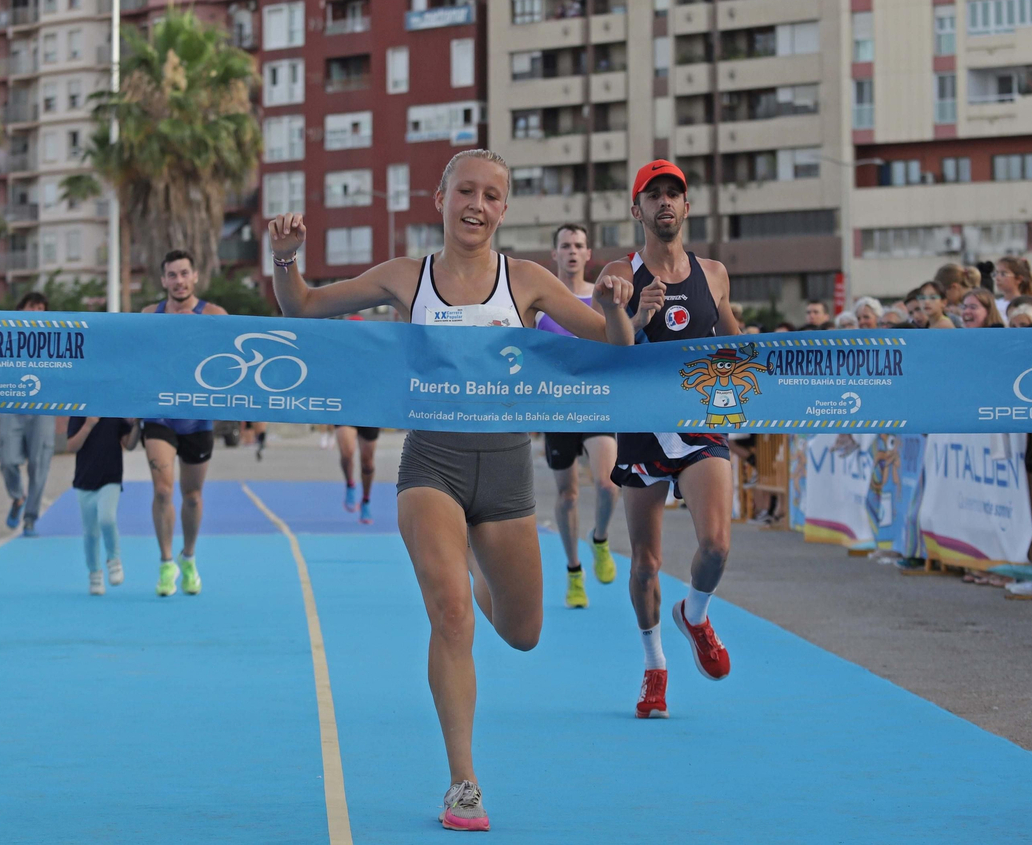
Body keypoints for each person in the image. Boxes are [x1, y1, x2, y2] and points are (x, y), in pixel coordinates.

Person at [267, 148, 638, 831]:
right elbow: (306, 306)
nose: (477, 205)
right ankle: (462, 782)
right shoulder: (407, 277)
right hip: (430, 464)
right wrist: (286, 258)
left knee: (523, 633)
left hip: (504, 472)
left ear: (504, 208)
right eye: (464, 190)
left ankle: (469, 565)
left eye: (492, 196)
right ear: (438, 197)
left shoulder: (525, 281)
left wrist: (615, 306)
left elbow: (618, 346)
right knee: (452, 616)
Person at [608, 158, 744, 725]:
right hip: (641, 424)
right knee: (645, 562)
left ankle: (696, 613)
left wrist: (758, 366)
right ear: (635, 209)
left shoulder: (712, 273)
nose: (665, 202)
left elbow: (735, 343)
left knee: (715, 545)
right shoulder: (619, 272)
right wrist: (634, 315)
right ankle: (654, 665)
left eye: (674, 194)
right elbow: (612, 352)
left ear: (687, 207)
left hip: (696, 421)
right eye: (653, 194)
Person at [535, 223, 622, 608]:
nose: (572, 252)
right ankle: (574, 572)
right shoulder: (540, 303)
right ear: (554, 254)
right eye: (565, 246)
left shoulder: (602, 299)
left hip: (597, 404)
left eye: (579, 246)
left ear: (589, 255)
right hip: (556, 409)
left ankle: (600, 539)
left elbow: (621, 344)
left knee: (608, 484)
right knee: (567, 495)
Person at [139, 250, 228, 597]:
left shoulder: (215, 315)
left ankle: (187, 556)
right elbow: (136, 360)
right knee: (162, 489)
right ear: (163, 281)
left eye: (184, 274)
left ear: (195, 277)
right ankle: (165, 564)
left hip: (197, 418)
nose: (178, 280)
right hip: (158, 413)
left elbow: (229, 363)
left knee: (192, 496)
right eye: (171, 275)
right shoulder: (149, 316)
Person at [0, 292, 56, 538]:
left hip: (42, 408)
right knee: (7, 460)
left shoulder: (53, 337)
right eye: (33, 306)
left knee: (39, 464)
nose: (37, 311)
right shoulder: (5, 336)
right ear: (20, 309)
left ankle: (30, 518)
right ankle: (17, 497)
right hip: (11, 406)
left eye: (42, 308)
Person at [65, 416, 138, 596]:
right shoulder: (80, 413)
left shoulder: (114, 411)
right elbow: (72, 446)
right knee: (90, 533)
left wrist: (137, 425)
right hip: (85, 481)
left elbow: (129, 444)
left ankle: (114, 560)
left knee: (107, 518)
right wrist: (88, 425)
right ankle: (94, 573)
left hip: (110, 478)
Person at [334, 425, 380, 524]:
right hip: (347, 413)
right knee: (347, 453)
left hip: (369, 415)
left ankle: (365, 500)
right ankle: (350, 484)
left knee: (367, 463)